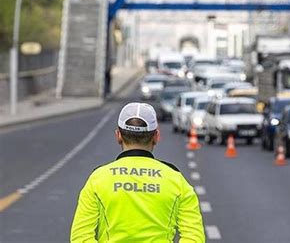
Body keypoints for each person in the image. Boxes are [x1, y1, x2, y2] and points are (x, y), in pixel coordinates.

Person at [70, 102, 205, 242]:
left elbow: (80, 237)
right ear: (156, 137)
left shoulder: (98, 179)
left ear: (118, 136)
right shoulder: (176, 180)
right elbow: (193, 237)